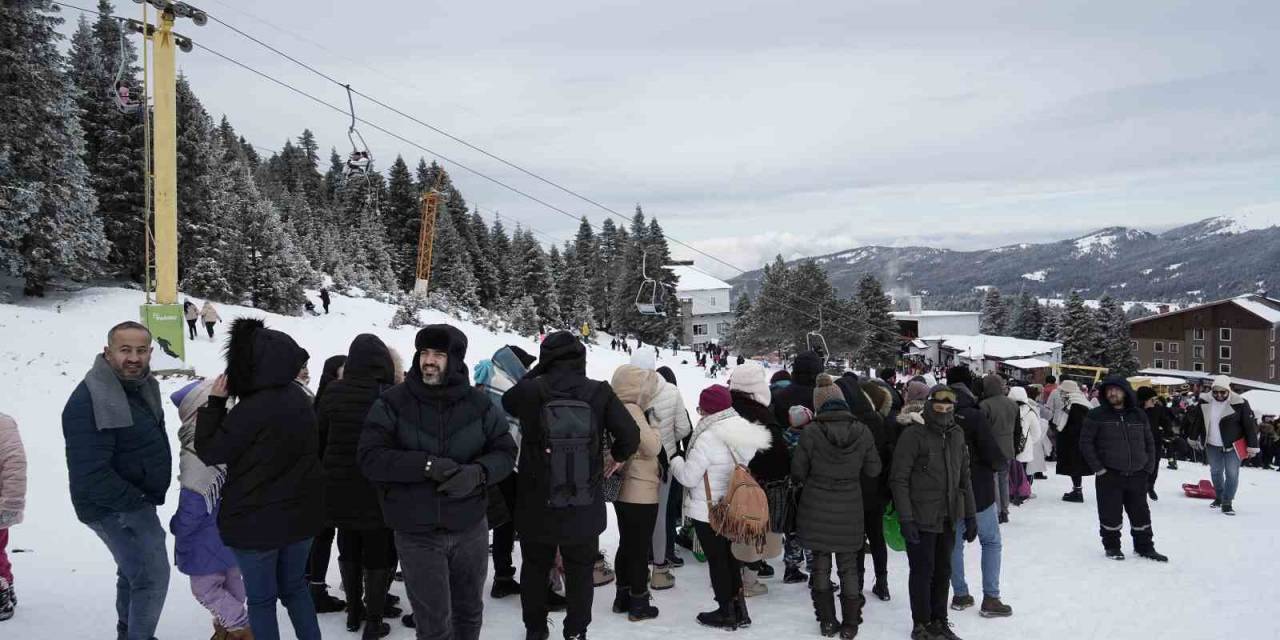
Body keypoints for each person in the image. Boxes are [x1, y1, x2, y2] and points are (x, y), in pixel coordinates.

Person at [359, 325, 517, 640]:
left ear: (455, 359)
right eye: (424, 353)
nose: (429, 361)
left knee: (469, 614)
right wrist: (425, 465)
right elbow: (369, 458)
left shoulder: (479, 404)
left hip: (470, 526)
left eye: (439, 354)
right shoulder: (392, 402)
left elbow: (505, 451)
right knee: (433, 623)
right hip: (416, 532)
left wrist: (478, 473)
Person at [502, 330, 639, 640]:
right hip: (583, 501)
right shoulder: (599, 392)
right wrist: (615, 458)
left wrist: (539, 369)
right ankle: (576, 631)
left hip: (537, 503)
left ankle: (535, 631)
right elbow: (630, 434)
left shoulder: (532, 391)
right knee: (579, 572)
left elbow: (508, 402)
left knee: (535, 568)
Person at [196, 319, 325, 640]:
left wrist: (214, 403)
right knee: (295, 588)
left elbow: (210, 451)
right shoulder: (301, 400)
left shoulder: (250, 410)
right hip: (301, 518)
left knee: (263, 600)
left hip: (255, 523)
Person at [63, 321, 172, 640]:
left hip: (132, 497)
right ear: (107, 352)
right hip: (113, 506)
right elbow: (90, 472)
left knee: (133, 571)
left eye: (141, 350)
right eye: (125, 350)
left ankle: (129, 632)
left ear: (151, 353)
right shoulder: (91, 399)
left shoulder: (140, 386)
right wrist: (136, 502)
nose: (134, 358)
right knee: (152, 576)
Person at [318, 335, 403, 637]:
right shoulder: (391, 394)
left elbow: (320, 438)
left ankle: (353, 613)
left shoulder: (332, 392)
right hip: (377, 488)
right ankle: (374, 619)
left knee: (348, 544)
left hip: (338, 486)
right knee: (379, 550)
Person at [670, 385, 771, 631]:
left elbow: (689, 478)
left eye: (701, 409)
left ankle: (725, 611)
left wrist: (675, 460)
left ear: (708, 409)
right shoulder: (744, 430)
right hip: (734, 505)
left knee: (717, 561)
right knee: (730, 558)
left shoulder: (707, 436)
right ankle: (739, 610)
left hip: (709, 510)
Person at [793, 375, 882, 639]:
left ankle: (827, 621)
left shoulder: (811, 432)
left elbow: (798, 471)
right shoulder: (862, 431)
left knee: (820, 564)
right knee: (848, 565)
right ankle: (851, 622)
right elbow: (874, 468)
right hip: (849, 506)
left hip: (816, 505)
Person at [890, 386, 975, 640]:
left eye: (949, 407)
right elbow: (899, 479)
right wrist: (905, 518)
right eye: (939, 406)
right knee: (922, 571)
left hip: (948, 516)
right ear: (929, 405)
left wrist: (970, 515)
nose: (944, 410)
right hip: (920, 516)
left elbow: (964, 477)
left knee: (943, 571)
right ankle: (921, 624)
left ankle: (939, 620)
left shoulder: (957, 434)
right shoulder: (914, 435)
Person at [169, 379, 249, 639]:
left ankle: (241, 627)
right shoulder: (234, 441)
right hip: (234, 536)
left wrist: (177, 527)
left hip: (203, 542)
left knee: (205, 590)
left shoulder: (196, 453)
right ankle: (227, 630)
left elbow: (192, 505)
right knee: (233, 586)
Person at [1079, 377, 1167, 562]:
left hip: (1137, 474)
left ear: (1125, 392)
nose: (1112, 393)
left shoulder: (1138, 415)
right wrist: (1099, 469)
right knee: (1110, 514)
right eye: (1109, 390)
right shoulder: (1096, 415)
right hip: (1109, 475)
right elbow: (1086, 443)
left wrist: (1148, 467)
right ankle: (1112, 547)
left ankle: (1145, 547)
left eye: (1116, 390)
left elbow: (1149, 441)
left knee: (1140, 513)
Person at [945, 366, 1008, 619]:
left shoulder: (937, 412)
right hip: (978, 488)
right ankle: (991, 598)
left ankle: (960, 594)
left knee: (954, 544)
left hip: (948, 490)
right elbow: (991, 452)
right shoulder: (974, 414)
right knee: (991, 541)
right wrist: (1000, 464)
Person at [629, 352, 693, 590]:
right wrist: (666, 441)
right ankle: (659, 569)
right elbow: (683, 428)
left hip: (634, 463)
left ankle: (636, 570)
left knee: (633, 518)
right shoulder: (671, 391)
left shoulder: (624, 391)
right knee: (660, 516)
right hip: (662, 462)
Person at [608, 364, 665, 621]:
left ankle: (623, 595)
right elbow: (651, 447)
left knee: (627, 543)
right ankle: (639, 602)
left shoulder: (614, 408)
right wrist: (656, 427)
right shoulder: (633, 410)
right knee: (640, 547)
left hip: (624, 489)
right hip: (640, 489)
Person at [727, 362, 789, 595]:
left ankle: (729, 578)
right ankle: (749, 582)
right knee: (754, 535)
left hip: (726, 481)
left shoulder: (724, 410)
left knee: (730, 532)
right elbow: (776, 456)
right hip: (758, 484)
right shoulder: (762, 416)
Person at [770, 350, 824, 584]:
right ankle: (815, 566)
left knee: (792, 516)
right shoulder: (820, 396)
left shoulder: (782, 395)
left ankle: (792, 564)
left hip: (787, 463)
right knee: (813, 517)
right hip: (815, 466)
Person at [852, 377, 898, 603]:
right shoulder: (885, 423)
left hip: (857, 489)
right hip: (878, 489)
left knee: (858, 540)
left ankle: (857, 586)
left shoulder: (855, 421)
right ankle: (882, 583)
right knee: (877, 537)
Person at [307, 354, 348, 613]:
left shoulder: (318, 400)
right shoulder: (322, 403)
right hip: (323, 482)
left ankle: (314, 587)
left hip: (327, 480)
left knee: (326, 536)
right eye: (344, 372)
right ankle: (316, 589)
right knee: (322, 536)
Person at [1186, 375, 1259, 515]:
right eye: (1215, 392)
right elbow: (1198, 421)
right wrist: (1193, 438)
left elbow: (1249, 426)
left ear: (1228, 390)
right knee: (1216, 472)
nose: (1219, 395)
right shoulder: (1205, 401)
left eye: (1222, 392)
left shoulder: (1240, 403)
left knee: (1232, 474)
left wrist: (1252, 446)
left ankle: (1227, 502)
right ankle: (1219, 497)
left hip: (1233, 445)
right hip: (1212, 444)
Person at [978, 373, 1017, 523]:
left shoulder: (985, 405)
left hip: (992, 448)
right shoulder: (1012, 404)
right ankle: (1005, 511)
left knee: (992, 480)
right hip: (1008, 447)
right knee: (1004, 480)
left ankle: (997, 511)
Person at [0, 412, 26, 622]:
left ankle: (1, 593)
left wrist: (10, 503)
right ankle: (6, 585)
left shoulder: (3, 424)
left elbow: (14, 465)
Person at [1053, 380, 1093, 503]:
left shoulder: (1075, 405)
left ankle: (1077, 492)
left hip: (1074, 443)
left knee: (1075, 467)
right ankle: (1076, 490)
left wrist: (1064, 433)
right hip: (1076, 442)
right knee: (1075, 467)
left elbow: (1077, 425)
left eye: (1062, 391)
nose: (1061, 394)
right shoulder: (1078, 402)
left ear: (1067, 391)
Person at [1009, 386, 1046, 504]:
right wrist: (1029, 441)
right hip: (1024, 447)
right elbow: (1037, 433)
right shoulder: (1030, 411)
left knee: (1009, 471)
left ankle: (1010, 492)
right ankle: (1024, 491)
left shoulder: (1006, 409)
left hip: (1008, 446)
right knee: (1025, 470)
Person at [1136, 387, 1172, 500]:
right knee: (1138, 466)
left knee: (1153, 466)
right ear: (1144, 400)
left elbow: (1165, 422)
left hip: (1154, 441)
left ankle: (1150, 486)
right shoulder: (1134, 411)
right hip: (1137, 443)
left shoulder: (1158, 409)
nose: (1155, 401)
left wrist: (1169, 433)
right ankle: (1138, 488)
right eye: (1152, 399)